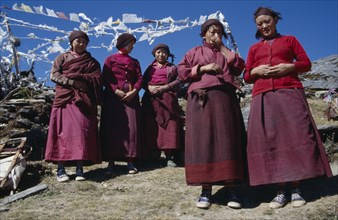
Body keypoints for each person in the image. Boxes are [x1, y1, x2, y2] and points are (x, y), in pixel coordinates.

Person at [244, 7, 333, 209]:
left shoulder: (290, 40)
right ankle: (279, 191)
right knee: (269, 139)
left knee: (294, 135)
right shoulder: (253, 49)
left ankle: (296, 188)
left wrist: (289, 67)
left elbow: (306, 63)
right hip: (262, 95)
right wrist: (256, 70)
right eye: (260, 24)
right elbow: (247, 76)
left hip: (289, 91)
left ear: (275, 20)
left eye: (267, 21)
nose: (264, 26)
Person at [177, 19, 246, 209]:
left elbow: (240, 67)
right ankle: (205, 190)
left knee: (227, 140)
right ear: (203, 35)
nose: (215, 36)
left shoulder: (226, 52)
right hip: (201, 101)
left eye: (219, 33)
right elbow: (181, 72)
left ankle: (232, 188)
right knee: (203, 141)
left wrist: (223, 47)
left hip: (225, 99)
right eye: (212, 32)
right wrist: (202, 68)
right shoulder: (194, 52)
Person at [45, 30, 103, 182]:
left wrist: (83, 79)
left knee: (81, 132)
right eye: (78, 41)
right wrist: (73, 82)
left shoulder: (92, 62)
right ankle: (61, 169)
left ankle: (80, 169)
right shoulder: (62, 57)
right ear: (71, 42)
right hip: (65, 99)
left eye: (84, 42)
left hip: (83, 101)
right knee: (63, 133)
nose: (82, 44)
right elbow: (54, 75)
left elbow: (98, 78)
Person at [100, 33, 143, 175]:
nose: (132, 46)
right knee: (112, 128)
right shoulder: (110, 59)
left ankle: (130, 161)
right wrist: (115, 90)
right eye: (130, 43)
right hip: (113, 100)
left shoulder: (135, 61)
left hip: (131, 99)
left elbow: (139, 77)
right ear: (123, 43)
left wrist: (134, 91)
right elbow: (106, 76)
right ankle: (111, 162)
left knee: (131, 128)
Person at [141, 44, 182, 167]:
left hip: (168, 100)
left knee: (170, 126)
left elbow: (178, 81)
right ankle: (153, 155)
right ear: (154, 54)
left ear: (168, 55)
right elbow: (142, 82)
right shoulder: (150, 68)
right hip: (151, 100)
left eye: (164, 52)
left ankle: (169, 156)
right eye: (158, 52)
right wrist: (149, 87)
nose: (161, 54)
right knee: (152, 126)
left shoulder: (172, 68)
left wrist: (165, 87)